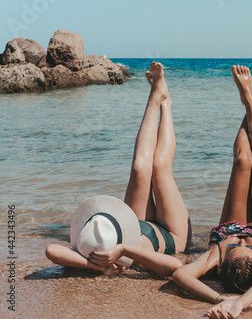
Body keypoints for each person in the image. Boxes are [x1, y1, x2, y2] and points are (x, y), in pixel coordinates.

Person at [45, 62, 191, 277]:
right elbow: (175, 267)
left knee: (140, 167)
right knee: (160, 166)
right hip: (172, 235)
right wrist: (123, 250)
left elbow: (52, 250)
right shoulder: (129, 255)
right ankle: (166, 105)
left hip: (136, 224)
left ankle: (155, 95)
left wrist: (94, 265)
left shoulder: (90, 246)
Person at [172, 65, 252, 319]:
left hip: (227, 226)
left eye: (234, 247)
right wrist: (239, 304)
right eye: (247, 247)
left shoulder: (215, 258)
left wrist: (219, 299)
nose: (242, 238)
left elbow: (179, 275)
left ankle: (251, 103)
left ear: (222, 265)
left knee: (241, 161)